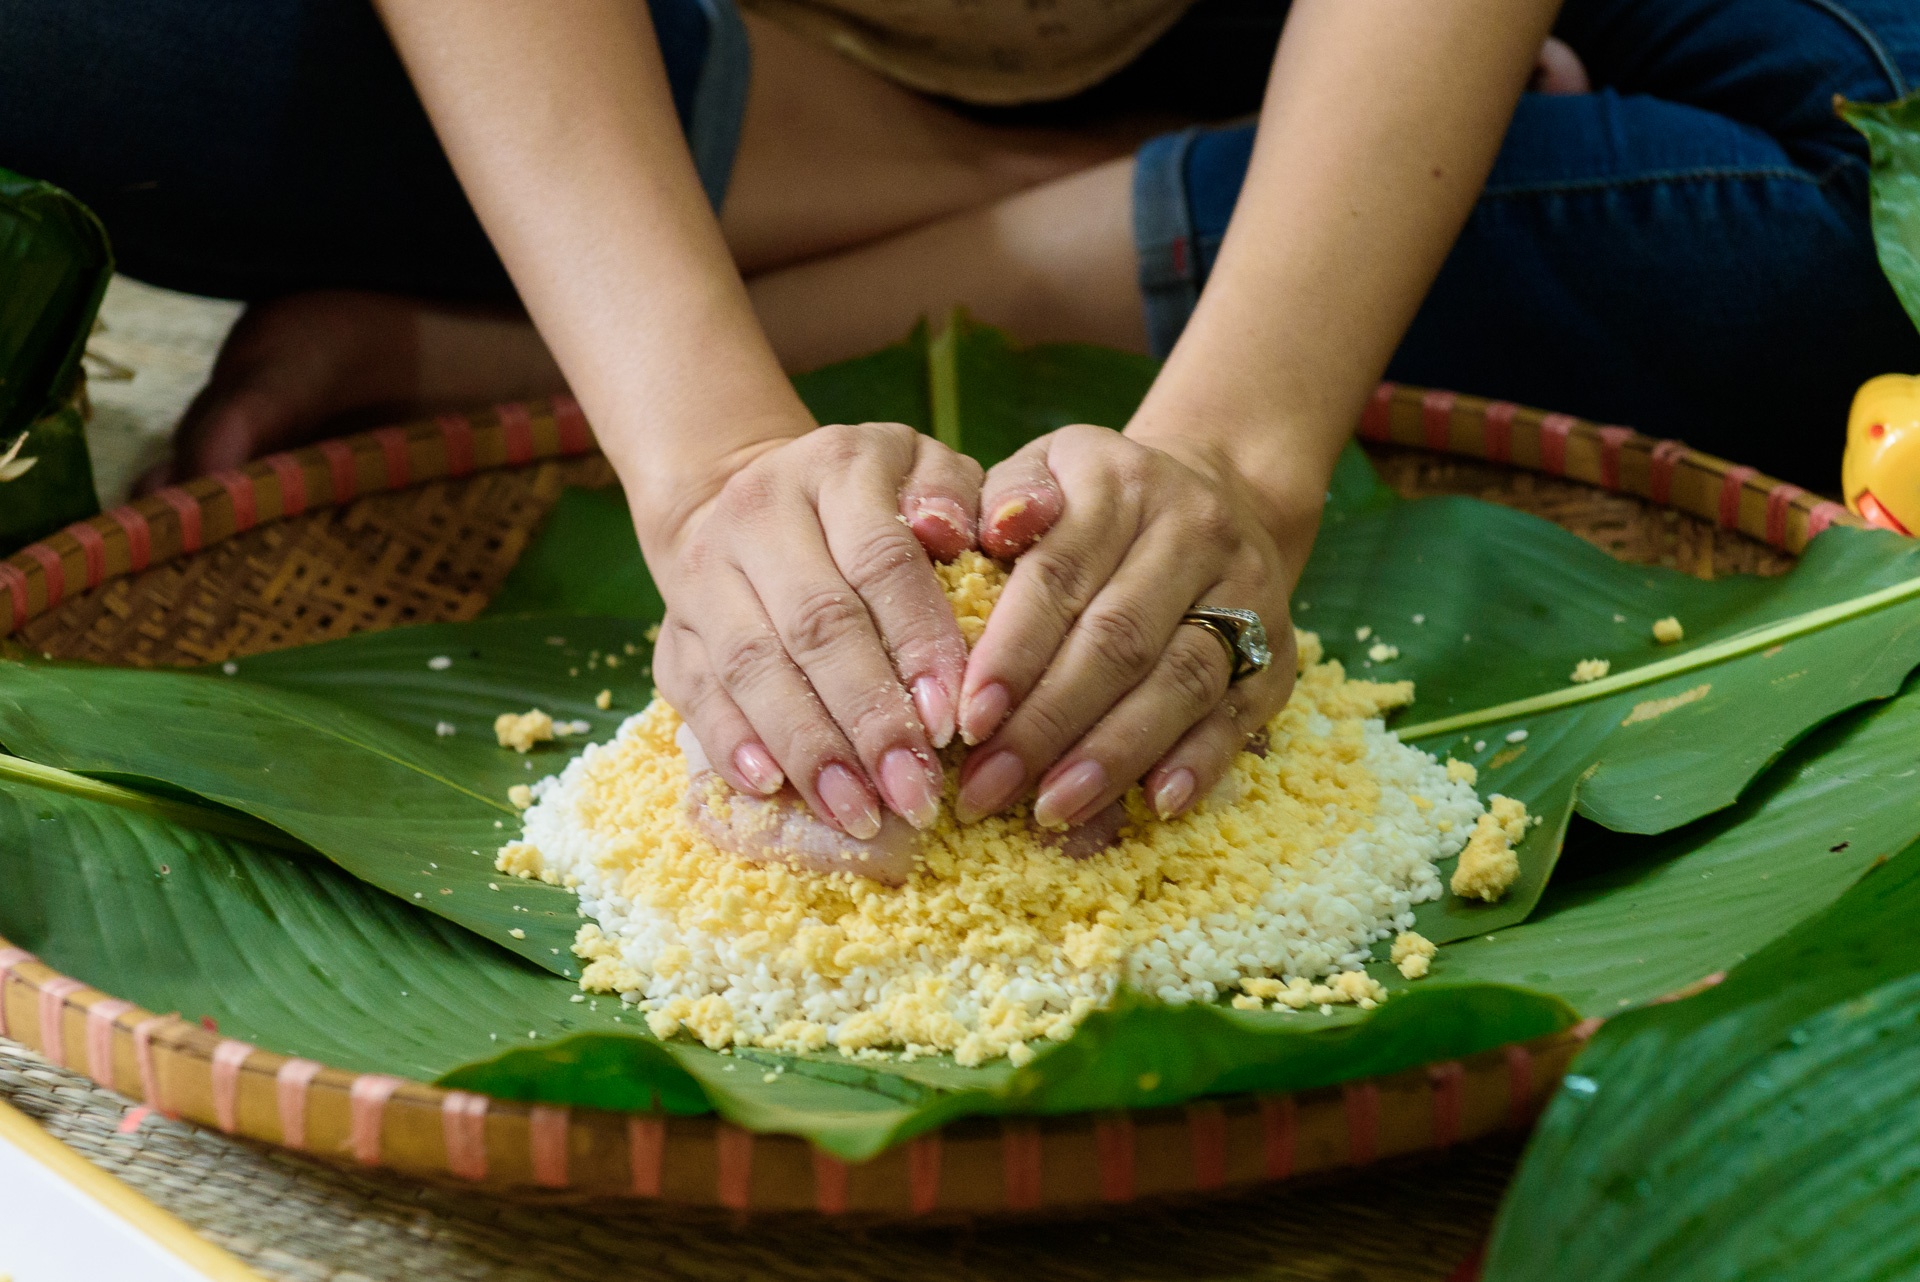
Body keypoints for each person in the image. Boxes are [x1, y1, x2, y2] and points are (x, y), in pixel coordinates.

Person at [3, 0, 1916, 843]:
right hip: (698, 64)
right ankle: (1124, 185)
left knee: (1884, 200)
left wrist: (1241, 451)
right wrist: (705, 453)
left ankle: (507, 334)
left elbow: (1247, 461)